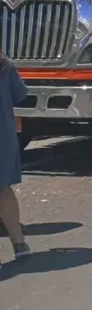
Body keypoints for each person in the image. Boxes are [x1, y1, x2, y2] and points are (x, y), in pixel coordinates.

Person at [0, 53, 29, 271]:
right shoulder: (4, 63)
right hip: (3, 136)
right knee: (3, 190)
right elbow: (19, 94)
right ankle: (19, 243)